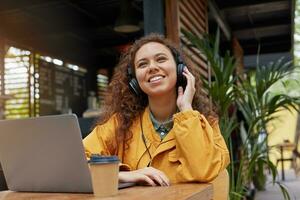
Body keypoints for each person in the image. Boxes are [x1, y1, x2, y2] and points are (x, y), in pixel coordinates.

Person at [83, 33, 230, 187]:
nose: (152, 67)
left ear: (180, 69)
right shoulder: (120, 124)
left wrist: (186, 109)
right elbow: (77, 162)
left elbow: (203, 170)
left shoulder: (207, 124)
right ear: (134, 80)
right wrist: (123, 175)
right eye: (142, 64)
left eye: (161, 59)